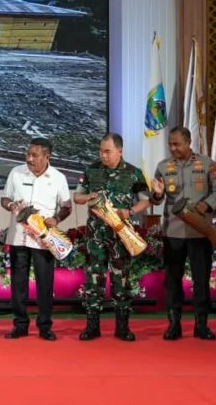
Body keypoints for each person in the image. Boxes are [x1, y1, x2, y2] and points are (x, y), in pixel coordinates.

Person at [73, 132, 153, 341]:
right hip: (96, 236)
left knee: (121, 280)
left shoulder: (133, 173)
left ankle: (122, 327)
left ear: (120, 151)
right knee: (94, 281)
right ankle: (92, 327)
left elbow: (146, 200)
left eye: (107, 151)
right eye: (101, 151)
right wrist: (89, 196)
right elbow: (77, 197)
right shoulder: (91, 170)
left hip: (121, 236)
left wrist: (130, 211)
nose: (103, 155)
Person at [150, 126, 216, 341]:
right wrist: (157, 194)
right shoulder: (163, 166)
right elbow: (156, 199)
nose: (173, 148)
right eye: (170, 144)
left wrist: (206, 204)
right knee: (172, 280)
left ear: (188, 142)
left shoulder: (207, 164)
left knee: (201, 280)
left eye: (177, 144)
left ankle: (201, 325)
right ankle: (174, 325)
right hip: (173, 232)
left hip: (199, 232)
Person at [0, 137, 71, 341]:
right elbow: (4, 198)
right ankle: (20, 324)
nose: (29, 158)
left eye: (34, 155)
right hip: (19, 237)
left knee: (44, 284)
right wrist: (10, 205)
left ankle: (45, 326)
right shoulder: (16, 173)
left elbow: (67, 206)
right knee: (18, 283)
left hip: (44, 239)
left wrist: (56, 219)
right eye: (28, 154)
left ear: (47, 157)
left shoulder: (58, 178)